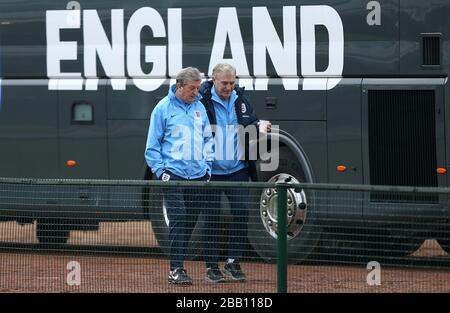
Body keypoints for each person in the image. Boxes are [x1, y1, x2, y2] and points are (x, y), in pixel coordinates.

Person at [199, 63, 271, 282]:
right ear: (214, 80)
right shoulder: (202, 101)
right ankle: (212, 267)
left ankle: (233, 262)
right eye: (224, 83)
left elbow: (250, 121)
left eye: (232, 82)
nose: (229, 87)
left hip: (238, 169)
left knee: (241, 214)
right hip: (212, 172)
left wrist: (259, 125)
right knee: (211, 219)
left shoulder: (241, 99)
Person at [145, 67, 214, 285]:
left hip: (197, 176)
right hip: (172, 176)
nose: (196, 92)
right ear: (179, 86)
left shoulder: (200, 108)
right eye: (192, 88)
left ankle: (179, 266)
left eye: (198, 88)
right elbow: (152, 147)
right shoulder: (162, 109)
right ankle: (176, 269)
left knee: (190, 223)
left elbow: (208, 140)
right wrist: (161, 172)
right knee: (178, 219)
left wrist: (207, 168)